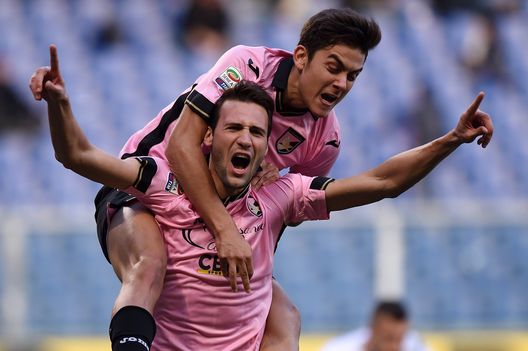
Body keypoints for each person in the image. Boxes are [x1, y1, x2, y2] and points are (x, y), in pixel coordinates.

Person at [39, 45, 492, 349]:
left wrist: (450, 139)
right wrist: (59, 104)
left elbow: (381, 182)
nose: (247, 139)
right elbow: (77, 155)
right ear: (209, 136)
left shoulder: (281, 193)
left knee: (287, 315)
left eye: (257, 132)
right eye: (234, 128)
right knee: (148, 266)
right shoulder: (162, 181)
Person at [29, 8, 383, 350]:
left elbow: (284, 207)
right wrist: (225, 230)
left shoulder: (325, 140)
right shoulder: (248, 65)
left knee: (285, 315)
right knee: (149, 264)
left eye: (352, 76)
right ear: (302, 56)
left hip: (219, 217)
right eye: (334, 68)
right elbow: (182, 147)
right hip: (148, 191)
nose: (341, 84)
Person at [321, 301, 431, 351]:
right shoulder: (339, 348)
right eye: (388, 338)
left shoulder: (415, 345)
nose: (394, 347)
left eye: (399, 340)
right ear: (372, 329)